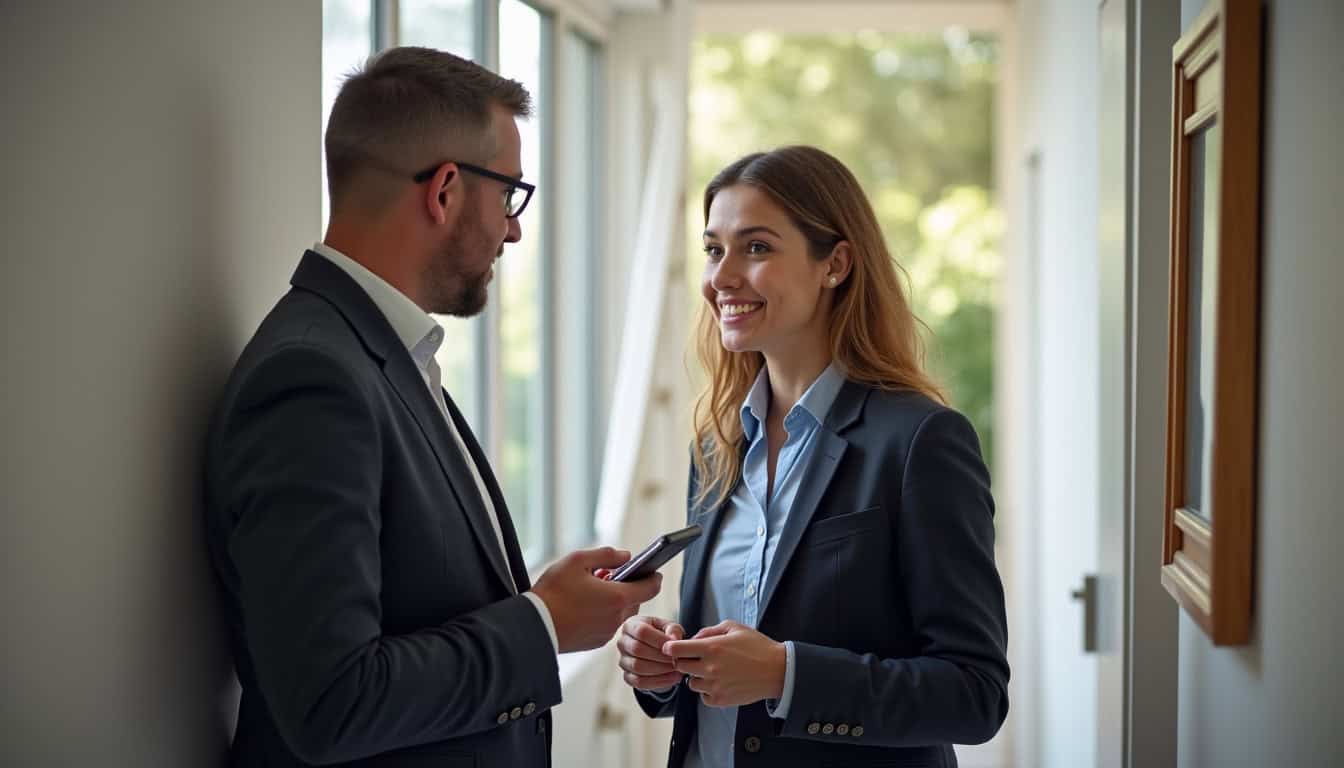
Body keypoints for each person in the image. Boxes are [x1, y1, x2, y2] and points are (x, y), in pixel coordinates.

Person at [203, 47, 661, 767]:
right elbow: (332, 701)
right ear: (445, 190)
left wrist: (542, 604)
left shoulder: (374, 353)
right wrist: (543, 626)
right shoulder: (313, 378)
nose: (512, 229)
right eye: (509, 194)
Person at [615, 146, 1009, 768]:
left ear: (836, 264)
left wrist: (785, 675)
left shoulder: (921, 442)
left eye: (757, 248)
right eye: (714, 249)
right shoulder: (716, 445)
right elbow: (725, 668)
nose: (721, 277)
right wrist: (667, 665)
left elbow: (974, 694)